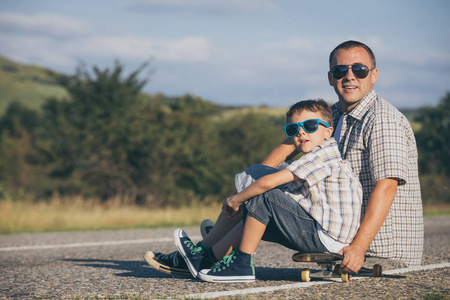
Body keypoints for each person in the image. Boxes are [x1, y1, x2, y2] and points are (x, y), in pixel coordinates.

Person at [265, 40, 424, 272]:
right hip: (341, 236)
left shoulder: (383, 120)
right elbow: (291, 143)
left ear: (374, 75)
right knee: (256, 191)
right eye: (341, 71)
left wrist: (359, 247)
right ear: (331, 77)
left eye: (359, 70)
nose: (349, 76)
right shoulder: (335, 114)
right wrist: (254, 178)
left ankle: (214, 254)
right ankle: (215, 249)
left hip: (379, 252)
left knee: (262, 197)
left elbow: (387, 186)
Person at [172, 99, 363, 282]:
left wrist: (235, 200)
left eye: (310, 126)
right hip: (326, 236)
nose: (301, 133)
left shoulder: (321, 157)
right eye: (293, 129)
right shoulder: (326, 154)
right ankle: (204, 259)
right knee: (257, 212)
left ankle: (241, 265)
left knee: (263, 194)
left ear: (328, 132)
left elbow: (268, 183)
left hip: (325, 239)